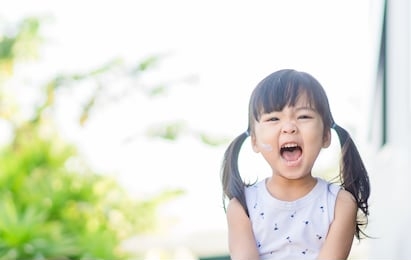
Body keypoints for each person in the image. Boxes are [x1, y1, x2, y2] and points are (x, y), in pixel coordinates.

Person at [220, 69, 370, 260]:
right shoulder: (242, 206)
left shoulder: (341, 203)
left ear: (326, 136)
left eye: (304, 116)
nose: (289, 127)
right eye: (273, 118)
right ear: (255, 141)